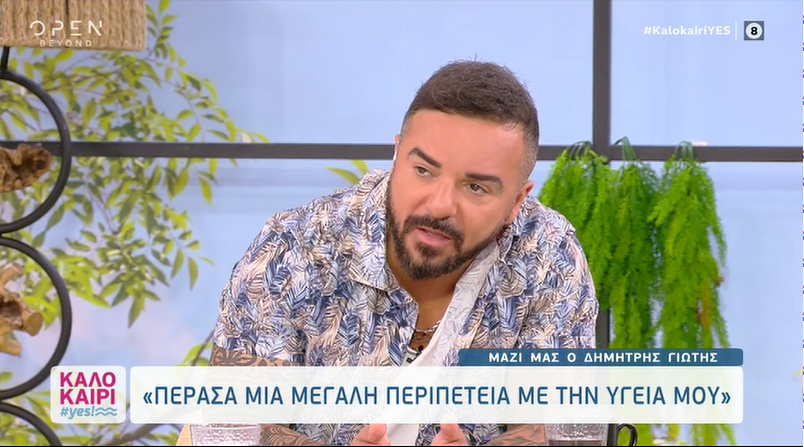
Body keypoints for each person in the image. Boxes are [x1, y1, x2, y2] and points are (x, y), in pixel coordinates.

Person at [180, 60, 598, 446]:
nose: (439, 206)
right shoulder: (294, 247)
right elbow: (230, 424)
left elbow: (558, 428)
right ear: (397, 154)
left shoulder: (548, 256)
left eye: (475, 187)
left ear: (517, 200)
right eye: (423, 170)